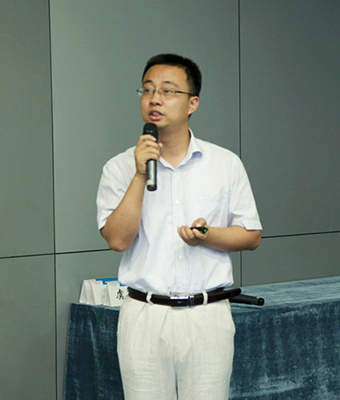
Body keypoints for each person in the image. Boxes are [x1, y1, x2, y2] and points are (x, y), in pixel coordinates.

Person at [96, 53, 262, 399]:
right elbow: (117, 240)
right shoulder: (119, 167)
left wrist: (207, 236)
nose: (155, 99)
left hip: (206, 317)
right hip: (144, 316)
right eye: (147, 90)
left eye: (168, 91)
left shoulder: (225, 163)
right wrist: (140, 175)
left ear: (192, 103)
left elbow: (251, 235)